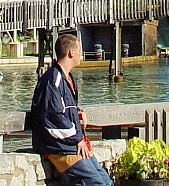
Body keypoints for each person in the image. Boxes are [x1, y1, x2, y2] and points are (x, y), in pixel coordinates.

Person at [30, 33, 113, 186]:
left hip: (71, 145)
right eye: (80, 50)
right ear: (71, 53)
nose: (82, 54)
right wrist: (77, 139)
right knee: (97, 184)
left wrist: (77, 111)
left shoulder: (68, 78)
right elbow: (52, 118)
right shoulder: (52, 79)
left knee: (107, 182)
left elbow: (62, 107)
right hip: (60, 148)